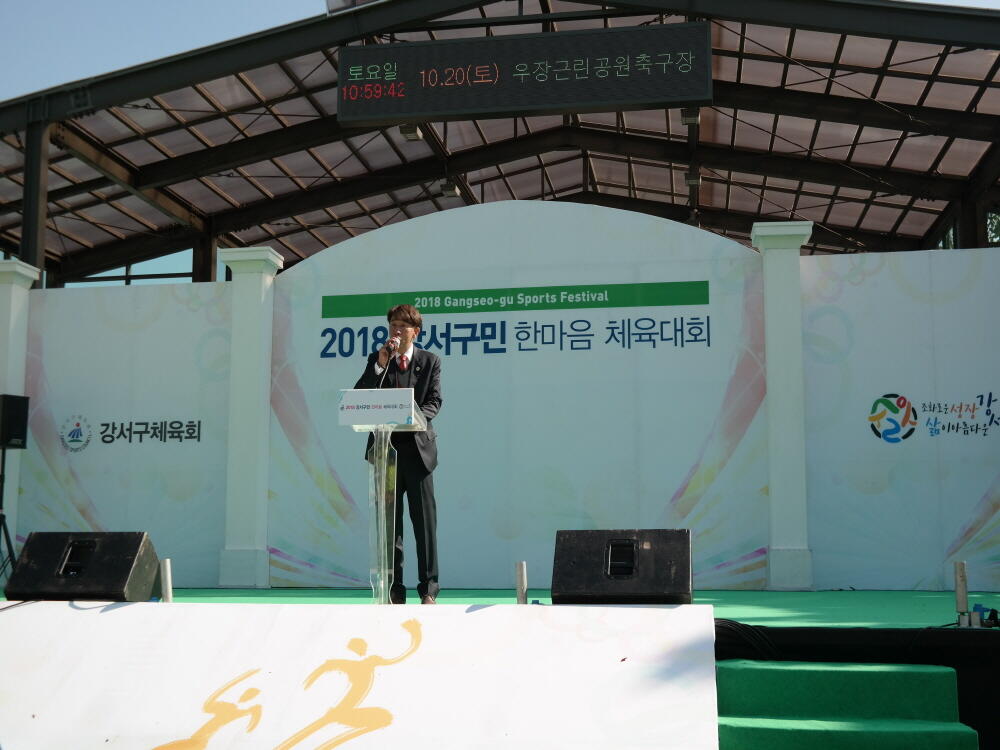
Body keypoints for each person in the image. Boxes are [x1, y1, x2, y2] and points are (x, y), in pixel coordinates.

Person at [354, 305, 442, 604]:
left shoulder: (429, 361)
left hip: (418, 453)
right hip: (385, 453)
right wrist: (379, 366)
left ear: (415, 331)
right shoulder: (379, 360)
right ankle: (393, 589)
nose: (396, 330)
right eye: (393, 325)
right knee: (390, 526)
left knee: (424, 524)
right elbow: (360, 396)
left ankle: (428, 589)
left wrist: (414, 417)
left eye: (403, 326)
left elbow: (434, 401)